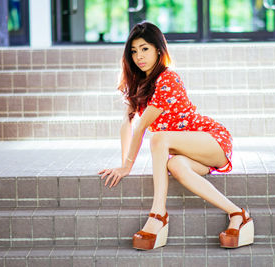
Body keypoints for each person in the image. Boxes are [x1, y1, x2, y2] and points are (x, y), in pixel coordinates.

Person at [98, 22, 254, 250]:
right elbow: (127, 125)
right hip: (187, 151)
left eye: (144, 49)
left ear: (158, 50)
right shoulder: (138, 84)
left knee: (159, 138)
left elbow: (141, 127)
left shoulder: (167, 79)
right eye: (133, 51)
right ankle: (238, 214)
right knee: (177, 166)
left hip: (211, 139)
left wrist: (127, 167)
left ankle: (158, 214)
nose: (138, 56)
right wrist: (123, 164)